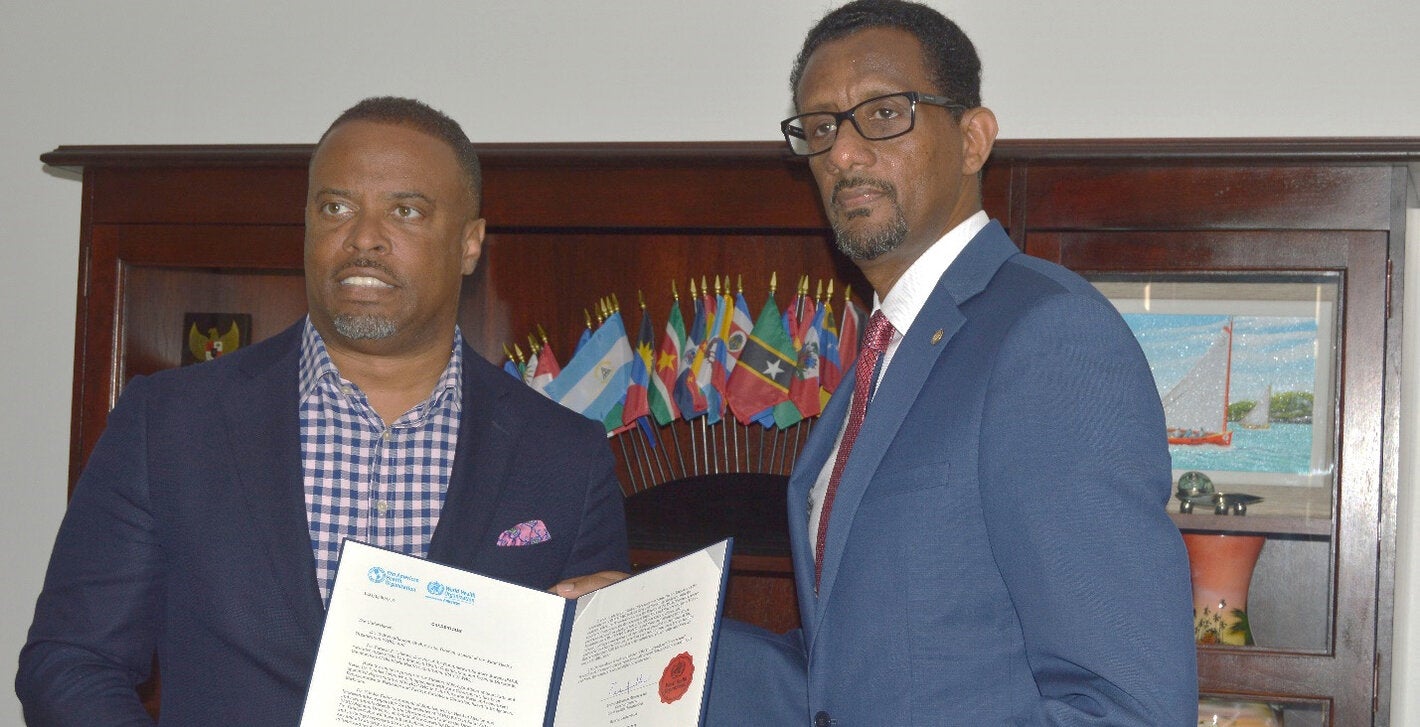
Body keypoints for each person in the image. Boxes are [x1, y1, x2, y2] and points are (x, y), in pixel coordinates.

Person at [16, 96, 629, 724]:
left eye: (406, 211)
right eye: (336, 207)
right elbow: (70, 662)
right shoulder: (170, 423)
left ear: (469, 244)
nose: (363, 238)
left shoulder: (566, 455)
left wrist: (617, 654)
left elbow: (593, 698)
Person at [706, 2, 1197, 724]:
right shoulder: (885, 353)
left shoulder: (1045, 336)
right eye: (820, 127)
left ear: (973, 140)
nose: (843, 154)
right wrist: (639, 638)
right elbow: (840, 686)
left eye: (883, 114)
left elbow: (1127, 706)